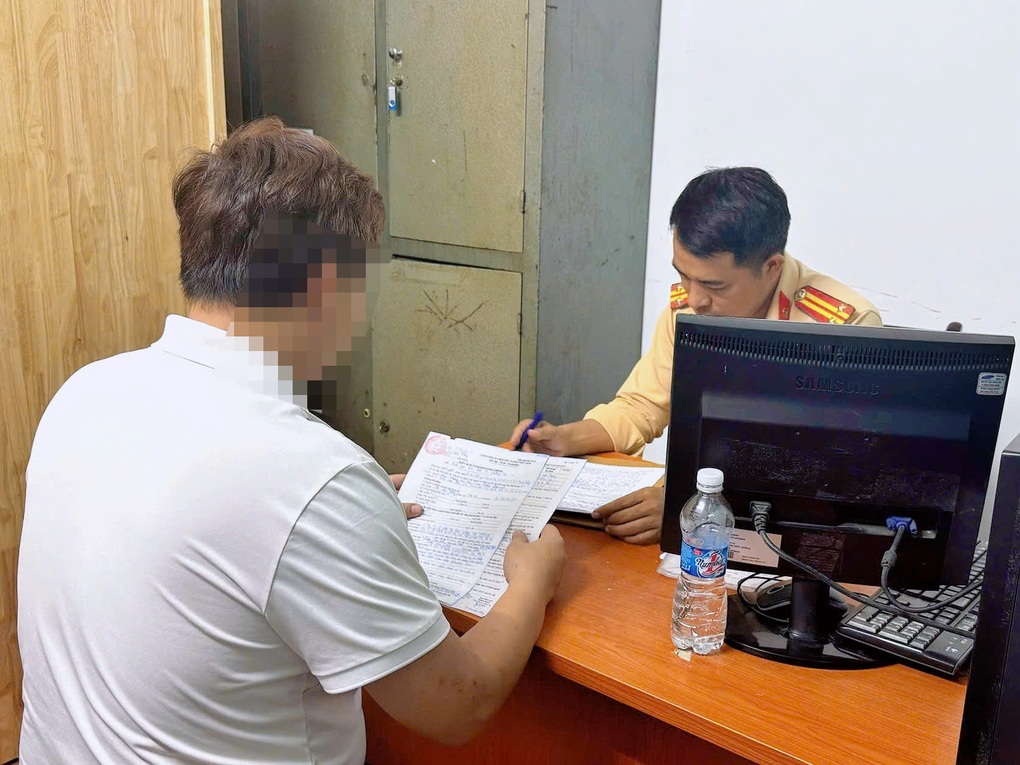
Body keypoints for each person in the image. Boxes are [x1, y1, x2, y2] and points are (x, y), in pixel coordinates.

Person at [18, 117, 566, 764]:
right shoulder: (310, 477)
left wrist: (344, 520)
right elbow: (458, 704)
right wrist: (532, 581)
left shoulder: (87, 391)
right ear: (326, 285)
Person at [510, 167, 881, 545]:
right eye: (683, 276)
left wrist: (686, 505)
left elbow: (831, 471)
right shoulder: (688, 309)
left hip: (786, 535)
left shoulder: (844, 327)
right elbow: (641, 406)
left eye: (713, 285)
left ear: (771, 268)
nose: (694, 298)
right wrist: (564, 438)